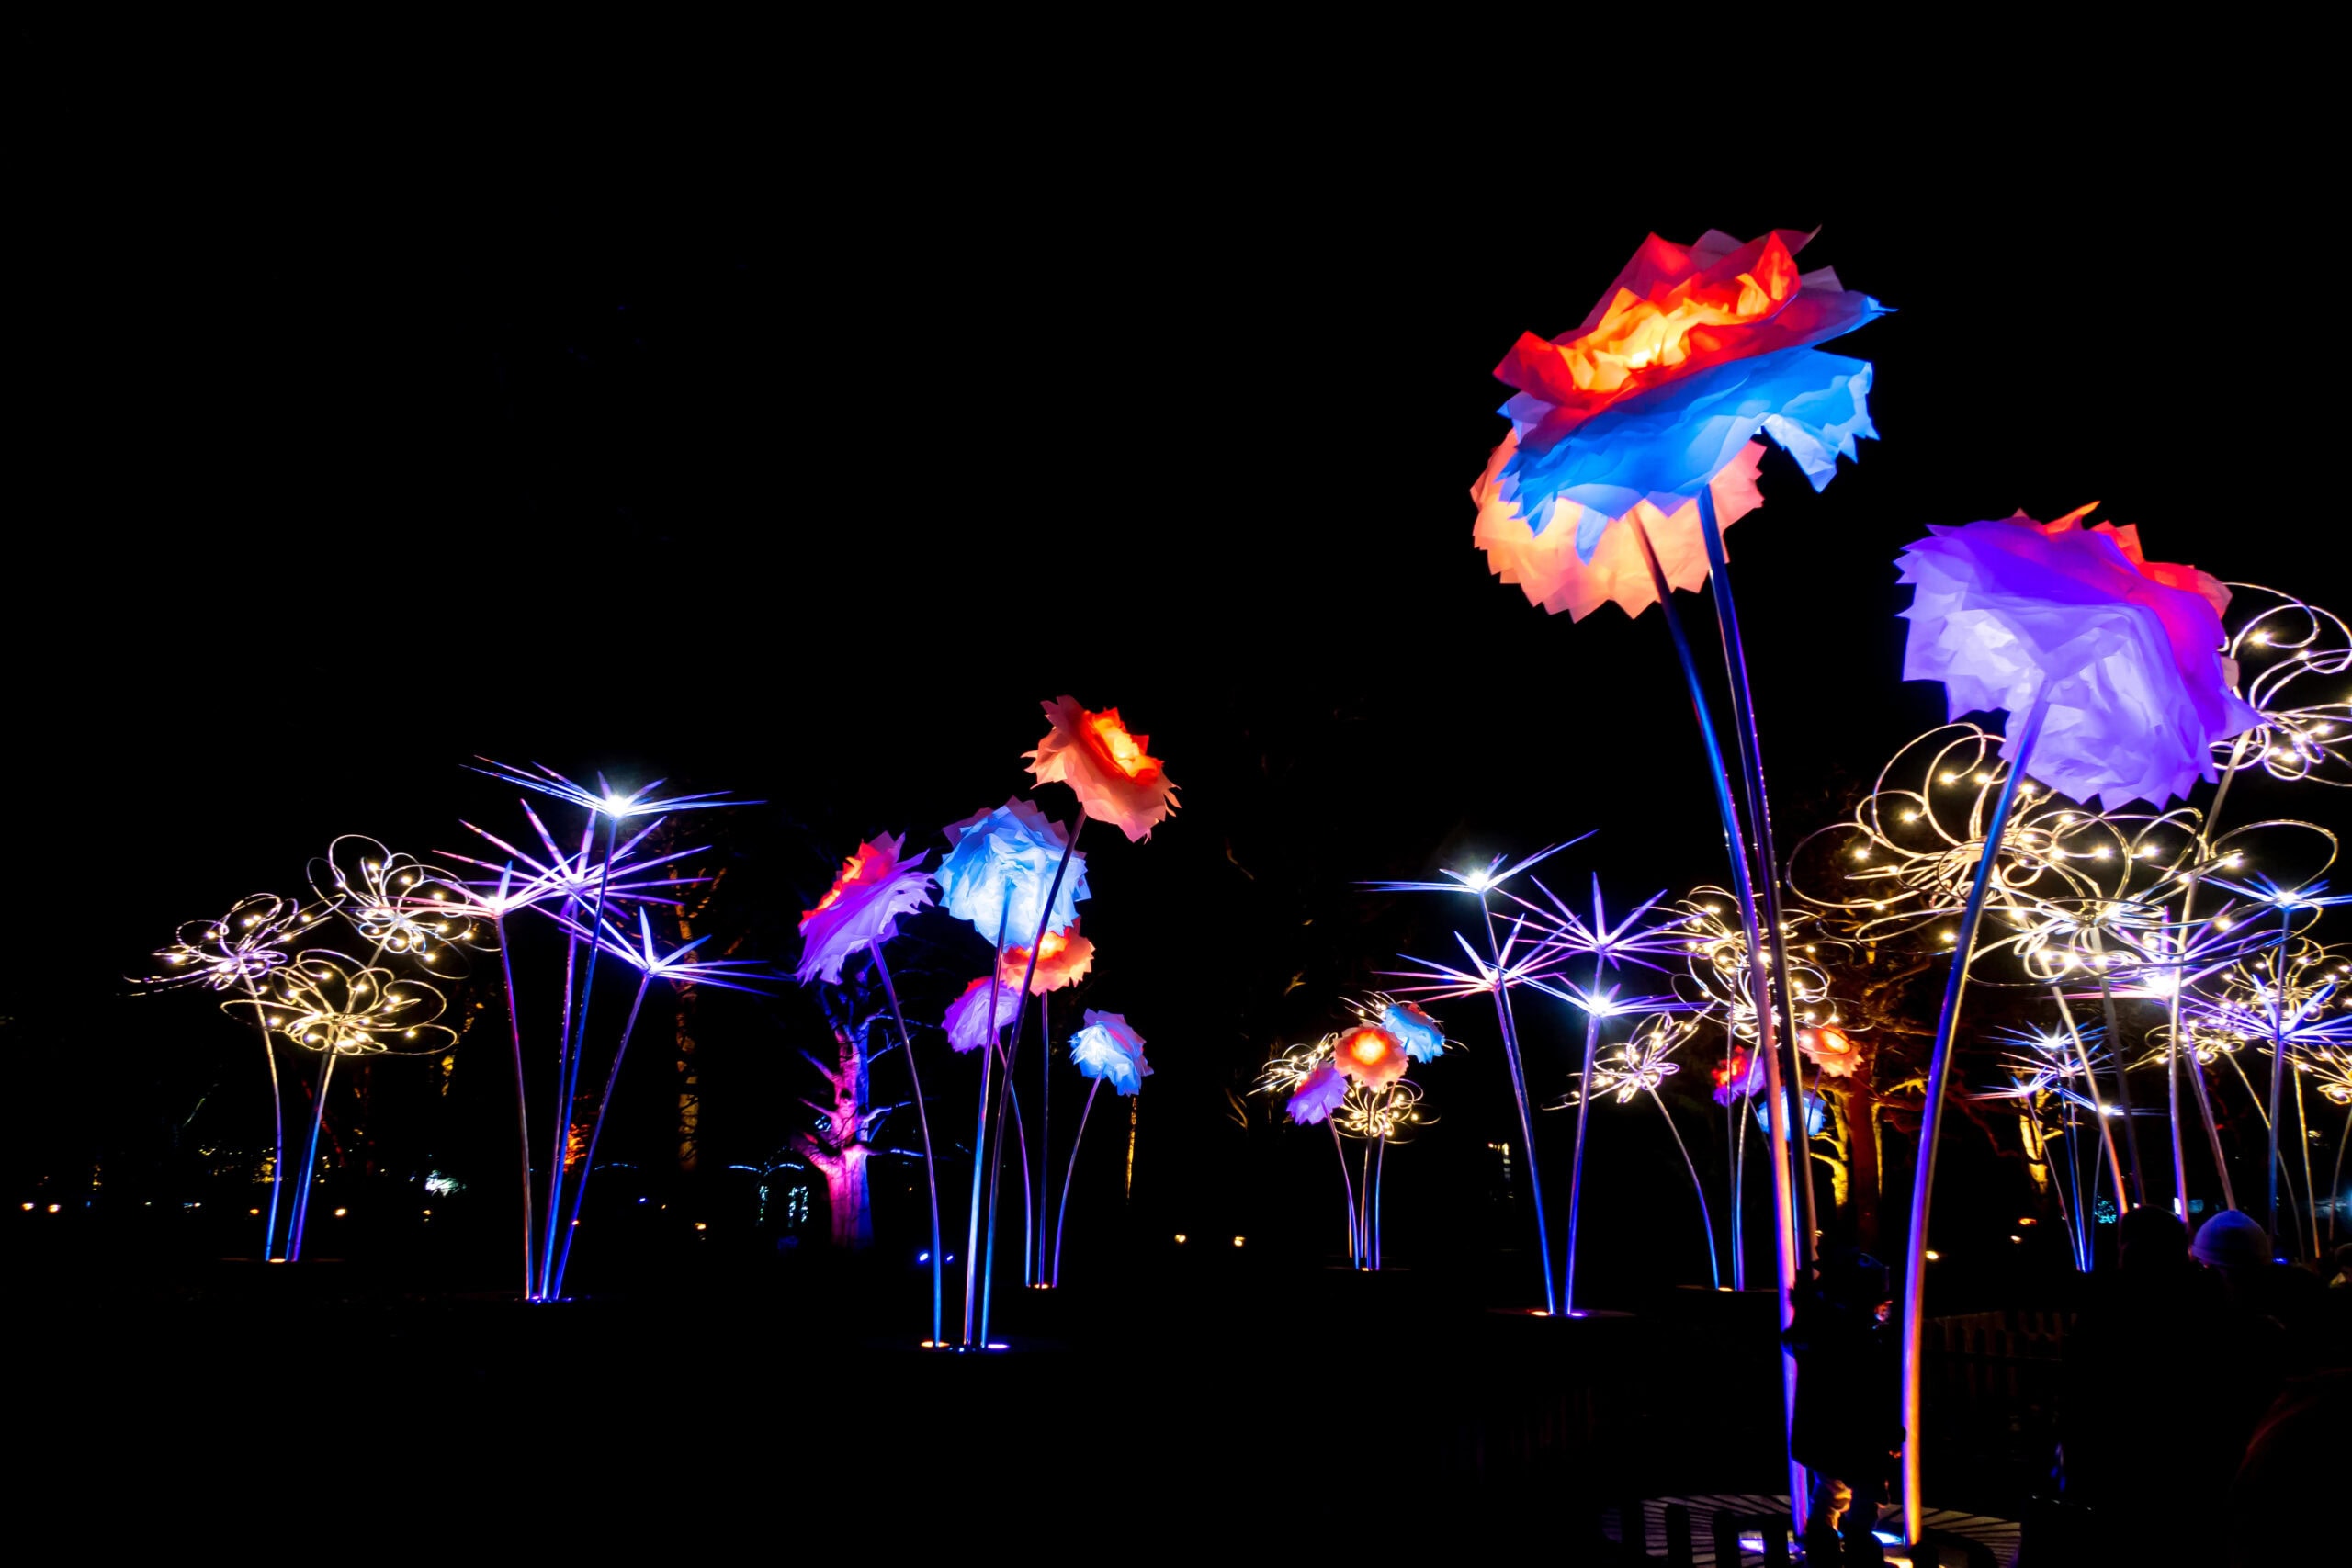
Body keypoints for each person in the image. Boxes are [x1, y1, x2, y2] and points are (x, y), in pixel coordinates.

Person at [1785, 1247, 1900, 1565]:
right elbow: (1874, 1392)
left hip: (1827, 1431)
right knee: (1861, 1492)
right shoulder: (1857, 1341)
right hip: (1858, 1433)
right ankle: (1854, 1545)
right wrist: (1891, 1432)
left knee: (1833, 1490)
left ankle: (1829, 1545)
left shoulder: (1821, 1333)